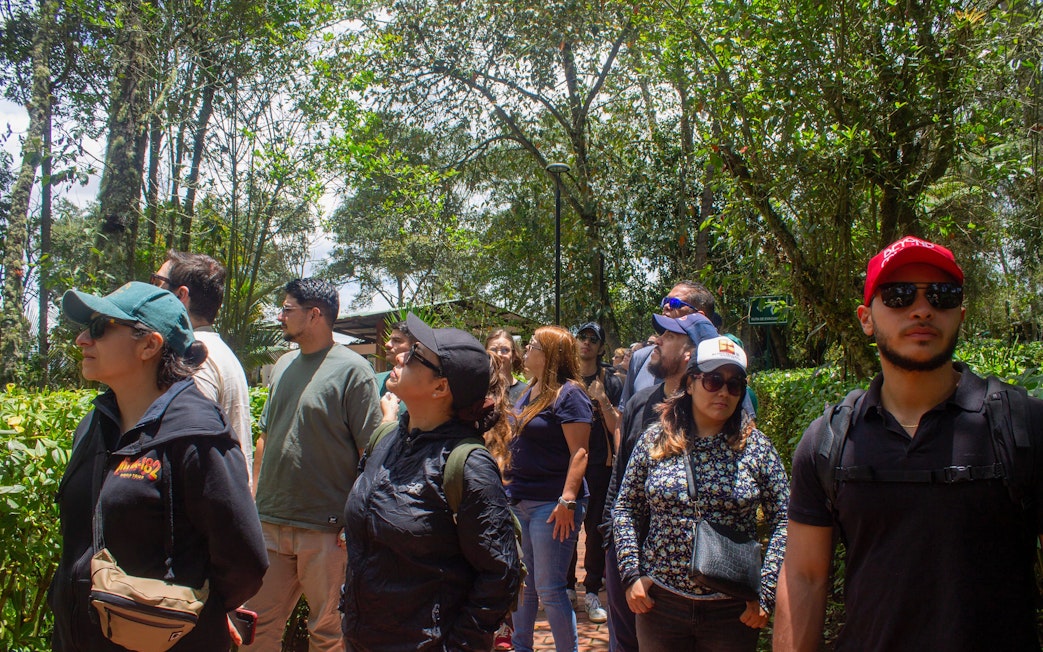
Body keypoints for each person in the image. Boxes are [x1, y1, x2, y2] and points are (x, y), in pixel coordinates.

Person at [774, 236, 1043, 651]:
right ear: (866, 318)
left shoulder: (1023, 427)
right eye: (898, 295)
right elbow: (804, 576)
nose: (922, 309)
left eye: (942, 295)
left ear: (961, 314)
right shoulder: (829, 442)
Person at [49, 282, 268, 651]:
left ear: (149, 345)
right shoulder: (94, 425)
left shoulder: (199, 435)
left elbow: (243, 561)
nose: (82, 339)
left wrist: (192, 614)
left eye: (100, 327)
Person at [342, 313, 522, 651]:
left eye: (414, 355)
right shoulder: (385, 439)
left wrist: (459, 645)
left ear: (441, 387)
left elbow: (501, 574)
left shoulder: (467, 466)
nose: (400, 355)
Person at [614, 336, 789, 651]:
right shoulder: (655, 441)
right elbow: (625, 508)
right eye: (713, 380)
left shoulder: (757, 447)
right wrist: (631, 573)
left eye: (734, 384)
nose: (724, 391)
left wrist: (766, 590)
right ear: (691, 383)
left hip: (732, 612)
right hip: (661, 604)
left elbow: (786, 519)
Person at [248, 278, 383, 652]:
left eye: (287, 309)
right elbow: (265, 435)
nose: (281, 316)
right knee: (254, 627)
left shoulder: (354, 370)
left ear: (315, 314)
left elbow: (370, 452)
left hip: (326, 530)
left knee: (329, 635)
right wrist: (255, 495)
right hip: (270, 522)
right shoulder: (282, 365)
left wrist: (355, 520)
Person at [601, 312, 714, 652]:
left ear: (690, 353)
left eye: (668, 335)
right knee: (624, 641)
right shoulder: (639, 403)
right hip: (627, 551)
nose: (657, 339)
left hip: (681, 569)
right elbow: (620, 477)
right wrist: (611, 536)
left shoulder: (711, 411)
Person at [507, 326, 592, 652]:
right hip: (521, 500)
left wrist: (568, 499)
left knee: (550, 588)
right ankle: (521, 646)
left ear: (551, 354)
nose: (526, 351)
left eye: (532, 346)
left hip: (553, 505)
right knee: (525, 584)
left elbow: (580, 452)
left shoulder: (570, 394)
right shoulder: (530, 390)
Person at [153, 250, 255, 489]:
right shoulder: (218, 351)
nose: (150, 293)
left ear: (180, 295)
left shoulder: (194, 356)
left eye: (157, 283)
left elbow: (189, 444)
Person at [565, 321, 621, 623]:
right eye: (582, 337)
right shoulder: (565, 378)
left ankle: (591, 591)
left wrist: (601, 399)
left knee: (597, 530)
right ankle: (567, 588)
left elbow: (618, 428)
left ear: (600, 347)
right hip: (569, 464)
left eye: (592, 339)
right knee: (567, 527)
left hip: (601, 465)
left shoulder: (611, 380)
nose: (586, 343)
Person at [618, 281, 718, 409]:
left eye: (675, 303)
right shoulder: (641, 358)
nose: (666, 306)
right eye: (665, 301)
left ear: (699, 316)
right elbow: (622, 423)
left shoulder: (720, 364)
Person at [486, 328, 529, 404]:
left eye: (505, 350)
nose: (499, 354)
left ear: (513, 355)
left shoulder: (526, 392)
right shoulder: (479, 389)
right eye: (493, 350)